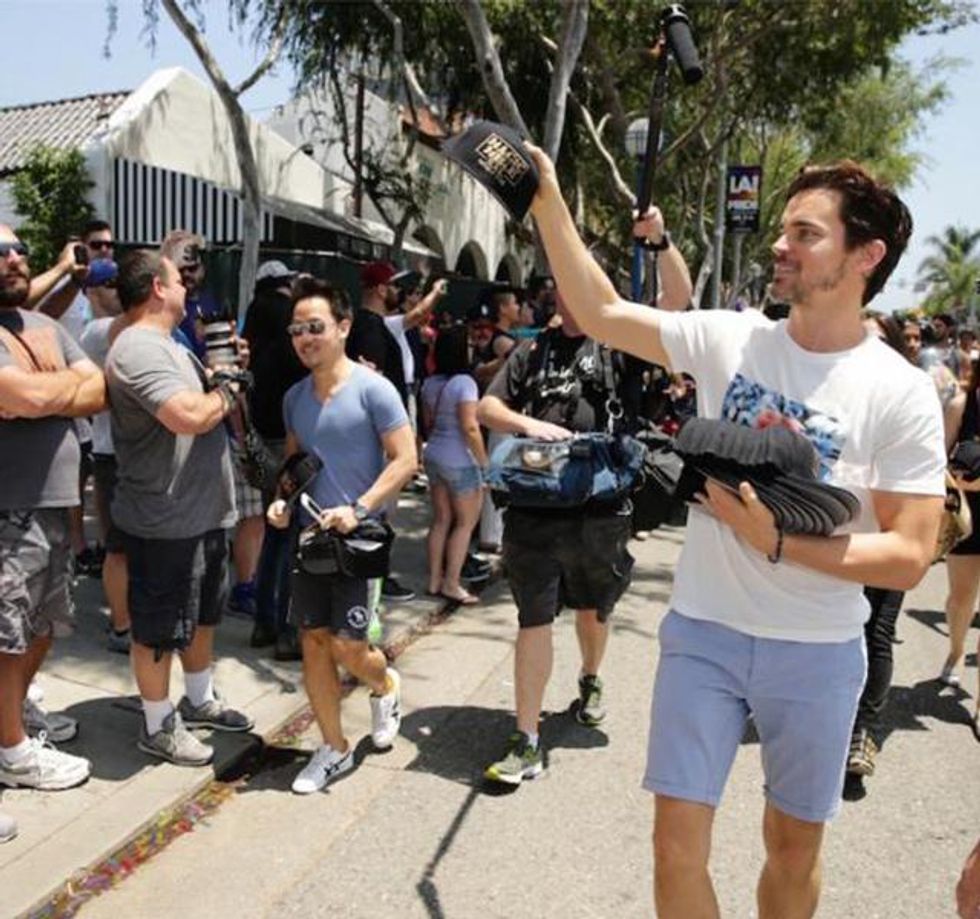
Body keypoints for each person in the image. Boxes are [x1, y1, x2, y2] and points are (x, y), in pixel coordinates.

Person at [525, 147, 945, 918]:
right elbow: (600, 313)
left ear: (866, 256)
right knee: (673, 847)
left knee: (792, 849)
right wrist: (545, 197)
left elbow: (911, 552)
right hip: (705, 635)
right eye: (783, 227)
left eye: (806, 233)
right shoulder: (732, 338)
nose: (781, 244)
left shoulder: (901, 390)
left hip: (817, 654)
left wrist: (780, 542)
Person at [476, 280, 689, 786]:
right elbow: (488, 408)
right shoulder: (532, 351)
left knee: (595, 609)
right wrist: (528, 425)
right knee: (534, 618)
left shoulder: (621, 347)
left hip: (600, 508)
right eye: (563, 296)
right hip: (534, 508)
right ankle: (526, 738)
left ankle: (590, 679)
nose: (570, 304)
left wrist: (657, 241)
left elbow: (676, 297)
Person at [266, 276, 416, 794]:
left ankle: (385, 684)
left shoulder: (375, 389)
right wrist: (283, 500)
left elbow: (407, 459)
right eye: (296, 330)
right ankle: (332, 746)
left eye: (315, 327)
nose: (305, 338)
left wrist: (359, 508)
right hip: (311, 541)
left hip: (361, 540)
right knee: (312, 641)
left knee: (350, 646)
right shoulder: (294, 398)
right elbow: (296, 463)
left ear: (343, 327)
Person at [106, 249, 253, 767]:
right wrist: (230, 386)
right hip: (163, 518)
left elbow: (208, 399)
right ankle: (157, 723)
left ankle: (198, 696)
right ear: (157, 289)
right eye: (178, 278)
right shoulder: (138, 349)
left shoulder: (171, 344)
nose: (188, 285)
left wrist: (227, 369)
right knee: (158, 629)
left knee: (204, 613)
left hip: (204, 512)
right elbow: (188, 415)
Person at [0, 224, 103, 798]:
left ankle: (12, 723)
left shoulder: (42, 325)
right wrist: (47, 392)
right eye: (1, 253)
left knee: (43, 627)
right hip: (7, 509)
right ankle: (12, 752)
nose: (14, 259)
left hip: (56, 508)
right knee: (7, 636)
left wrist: (40, 393)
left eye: (20, 251)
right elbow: (27, 397)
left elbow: (98, 390)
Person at [242, 260, 307, 659]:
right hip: (289, 439)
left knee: (273, 533)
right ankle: (285, 627)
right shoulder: (290, 333)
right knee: (290, 537)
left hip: (260, 436)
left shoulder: (251, 332)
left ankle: (265, 622)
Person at [348, 261, 413, 603]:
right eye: (395, 285)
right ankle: (377, 574)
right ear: (380, 289)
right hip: (381, 436)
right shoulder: (371, 328)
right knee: (382, 508)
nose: (400, 292)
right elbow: (373, 382)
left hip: (381, 434)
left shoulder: (373, 325)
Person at [421, 324, 489, 604]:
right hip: (459, 459)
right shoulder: (466, 383)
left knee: (441, 519)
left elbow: (427, 423)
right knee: (465, 523)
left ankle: (434, 580)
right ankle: (452, 583)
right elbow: (470, 427)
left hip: (434, 454)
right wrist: (485, 463)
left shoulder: (429, 383)